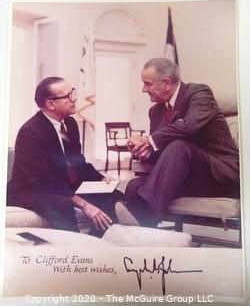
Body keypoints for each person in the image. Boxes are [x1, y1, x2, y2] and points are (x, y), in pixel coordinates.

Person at [122, 57, 240, 227]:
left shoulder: (199, 93)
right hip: (184, 176)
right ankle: (143, 234)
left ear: (167, 82)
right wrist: (142, 149)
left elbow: (190, 126)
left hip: (219, 177)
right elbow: (160, 150)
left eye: (147, 84)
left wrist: (150, 140)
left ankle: (145, 215)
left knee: (179, 147)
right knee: (134, 185)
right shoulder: (155, 112)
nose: (143, 89)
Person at [7, 76, 124, 236]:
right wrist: (84, 204)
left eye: (73, 93)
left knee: (113, 195)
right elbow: (41, 181)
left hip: (61, 185)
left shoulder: (70, 123)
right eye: (68, 96)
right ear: (50, 104)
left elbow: (78, 163)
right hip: (33, 190)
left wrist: (101, 179)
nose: (74, 99)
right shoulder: (31, 132)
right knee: (62, 205)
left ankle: (94, 244)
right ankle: (72, 253)